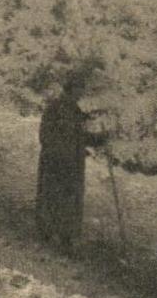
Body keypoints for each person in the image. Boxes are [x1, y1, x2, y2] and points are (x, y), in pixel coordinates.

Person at [35, 65, 108, 246]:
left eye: (82, 89)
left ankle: (66, 235)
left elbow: (81, 137)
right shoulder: (54, 109)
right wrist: (64, 150)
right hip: (56, 162)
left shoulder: (76, 113)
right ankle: (48, 232)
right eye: (78, 89)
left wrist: (101, 139)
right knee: (54, 197)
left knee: (71, 199)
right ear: (69, 89)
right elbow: (45, 136)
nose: (80, 93)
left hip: (72, 164)